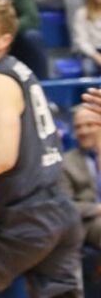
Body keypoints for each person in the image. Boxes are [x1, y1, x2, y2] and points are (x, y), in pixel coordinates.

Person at [0, 0, 83, 297]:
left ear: (4, 40)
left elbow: (2, 155)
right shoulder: (17, 70)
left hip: (28, 217)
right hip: (60, 211)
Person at [59, 104, 101, 247]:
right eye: (78, 127)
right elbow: (64, 205)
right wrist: (98, 209)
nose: (83, 131)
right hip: (87, 222)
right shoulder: (65, 162)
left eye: (89, 125)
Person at [74, 0, 101, 74]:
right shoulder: (82, 13)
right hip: (92, 53)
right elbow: (81, 41)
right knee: (88, 67)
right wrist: (96, 56)